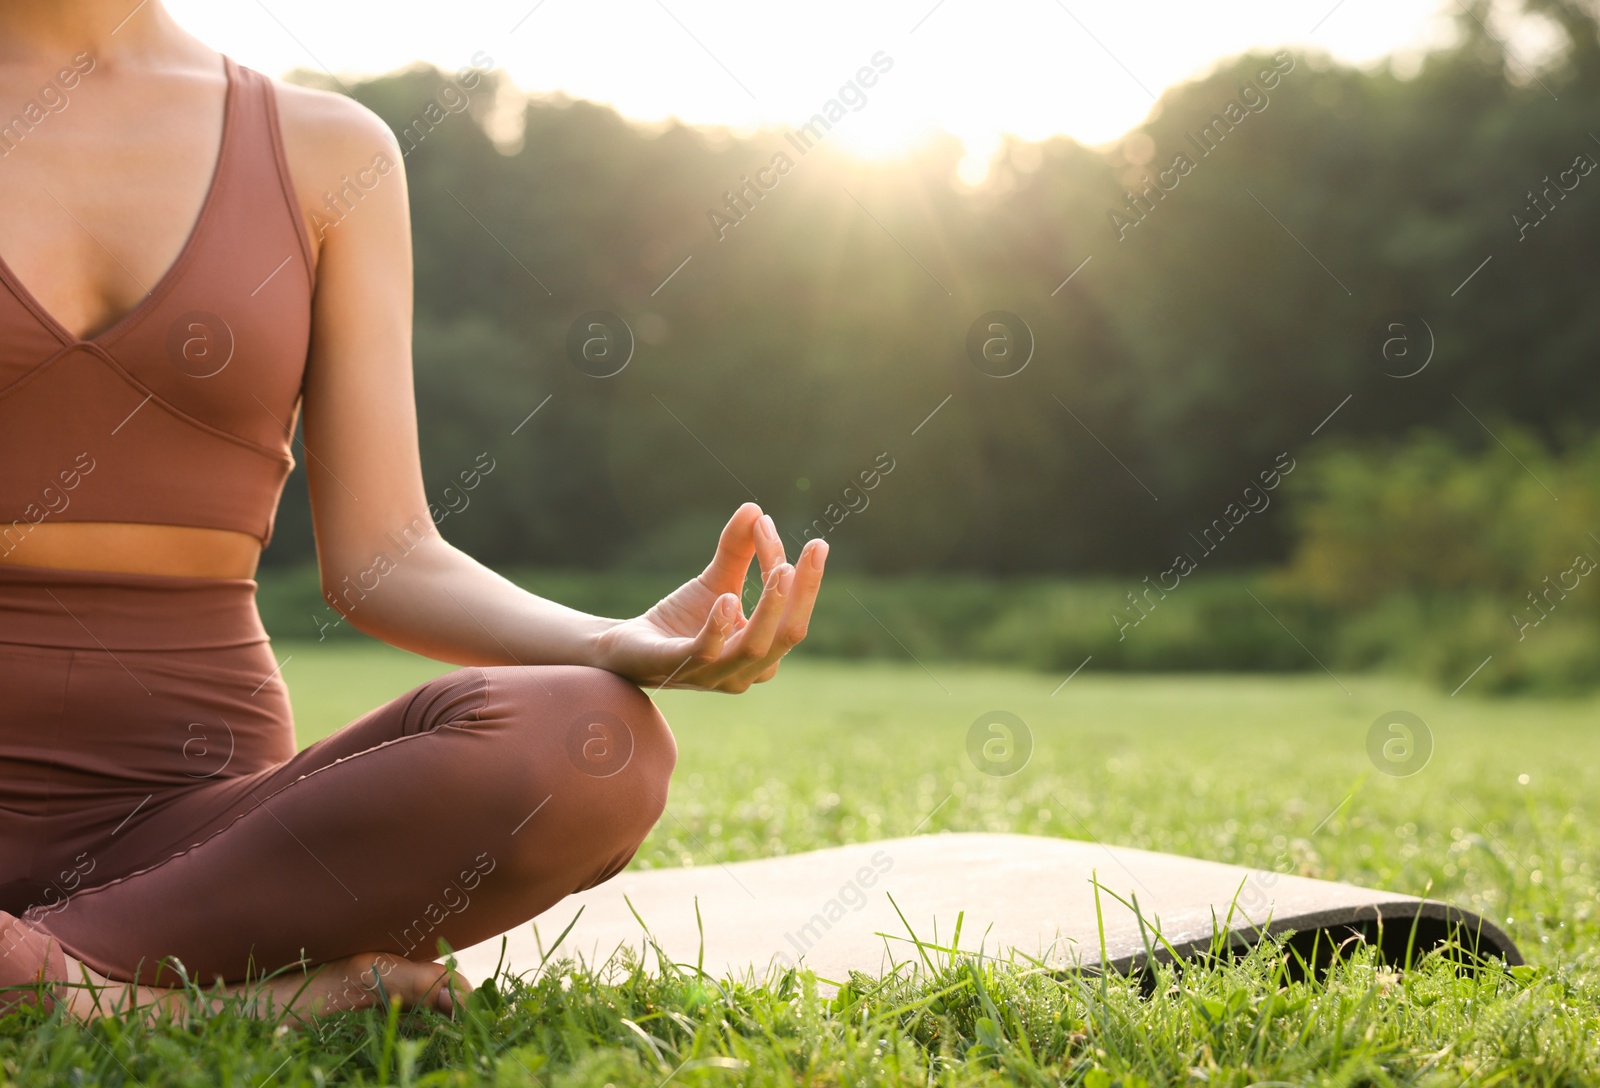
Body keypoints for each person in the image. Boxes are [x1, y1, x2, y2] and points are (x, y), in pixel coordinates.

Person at [0, 0, 826, 1021]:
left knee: (590, 739)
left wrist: (611, 640)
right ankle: (170, 1002)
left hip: (198, 831)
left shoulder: (324, 151)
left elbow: (385, 555)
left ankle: (41, 976)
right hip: (191, 905)